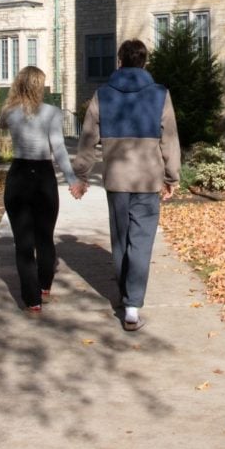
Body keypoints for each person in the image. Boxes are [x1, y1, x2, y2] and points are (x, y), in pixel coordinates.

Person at [71, 39, 181, 331]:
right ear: (145, 62)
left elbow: (88, 138)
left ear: (119, 61)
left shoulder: (102, 95)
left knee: (121, 239)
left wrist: (81, 173)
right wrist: (171, 176)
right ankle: (132, 305)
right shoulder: (160, 94)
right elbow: (169, 138)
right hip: (147, 178)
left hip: (117, 179)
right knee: (141, 242)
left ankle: (125, 296)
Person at [0, 65, 78, 315]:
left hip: (19, 176)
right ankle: (44, 284)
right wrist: (72, 179)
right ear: (38, 86)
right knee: (44, 236)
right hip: (43, 177)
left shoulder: (9, 112)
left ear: (19, 85)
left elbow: (2, 124)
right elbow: (59, 149)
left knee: (23, 242)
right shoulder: (52, 112)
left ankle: (32, 300)